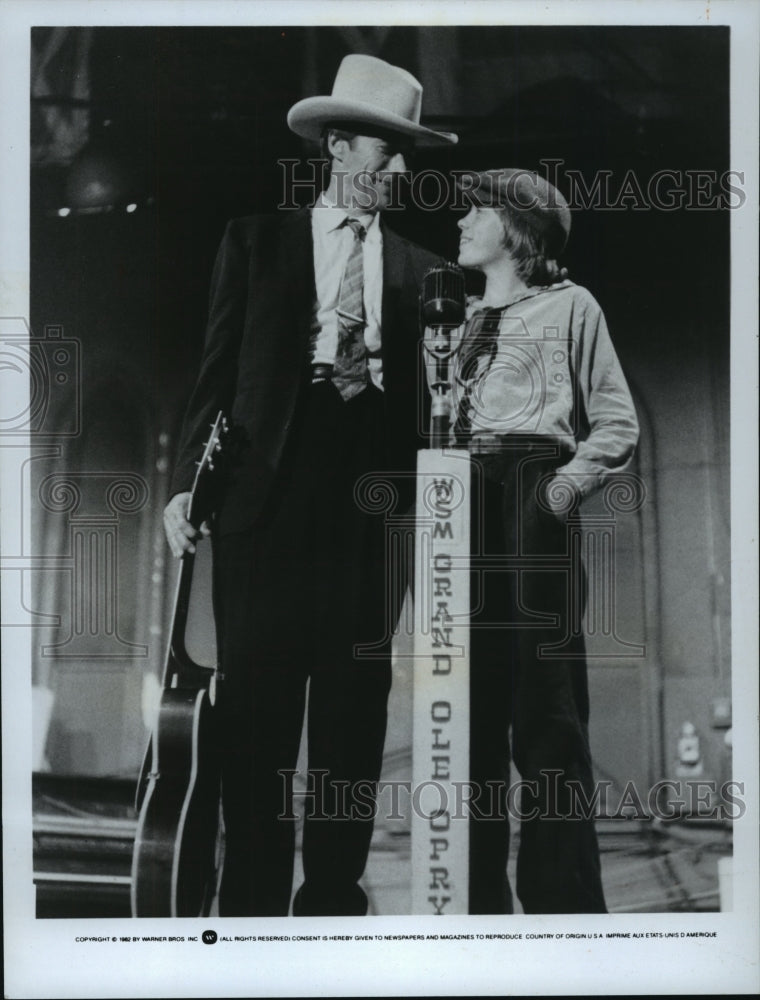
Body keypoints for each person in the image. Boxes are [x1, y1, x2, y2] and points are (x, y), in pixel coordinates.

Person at [162, 54, 457, 917]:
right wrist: (188, 485)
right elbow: (214, 380)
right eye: (384, 151)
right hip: (264, 502)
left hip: (370, 513)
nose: (398, 171)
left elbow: (435, 409)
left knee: (352, 717)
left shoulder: (423, 270)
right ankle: (249, 903)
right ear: (337, 146)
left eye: (406, 155)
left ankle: (332, 899)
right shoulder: (254, 242)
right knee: (254, 717)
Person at [448, 168, 639, 913]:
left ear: (517, 232)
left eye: (476, 211)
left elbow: (617, 421)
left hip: (534, 492)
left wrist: (560, 487)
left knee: (548, 716)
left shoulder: (572, 305)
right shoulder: (454, 320)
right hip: (462, 501)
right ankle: (474, 912)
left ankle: (563, 915)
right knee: (466, 713)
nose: (461, 220)